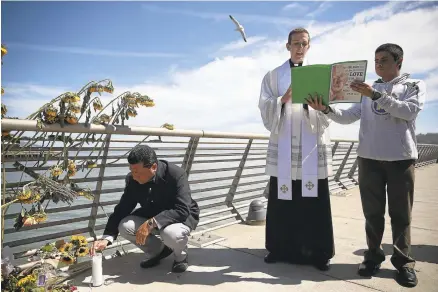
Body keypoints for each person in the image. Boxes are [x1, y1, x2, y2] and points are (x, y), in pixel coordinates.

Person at [306, 43, 426, 287]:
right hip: (368, 159)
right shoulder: (367, 90)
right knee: (372, 215)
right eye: (376, 60)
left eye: (383, 60)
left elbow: (408, 112)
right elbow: (349, 116)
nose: (378, 64)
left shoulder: (414, 85)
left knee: (401, 215)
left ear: (398, 62)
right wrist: (327, 109)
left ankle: (404, 263)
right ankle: (372, 257)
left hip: (400, 160)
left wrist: (376, 95)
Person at [258, 27, 335, 271]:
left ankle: (318, 252)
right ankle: (278, 248)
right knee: (282, 199)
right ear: (287, 45)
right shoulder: (273, 76)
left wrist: (314, 107)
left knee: (314, 200)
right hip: (284, 146)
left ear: (309, 46)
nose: (300, 48)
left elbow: (329, 110)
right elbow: (264, 106)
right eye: (295, 43)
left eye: (304, 44)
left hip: (311, 141)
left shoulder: (321, 75)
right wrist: (283, 100)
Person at [90, 145, 200, 273]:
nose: (133, 175)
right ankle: (159, 251)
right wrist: (106, 237)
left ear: (153, 167)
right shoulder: (132, 179)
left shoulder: (176, 174)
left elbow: (182, 209)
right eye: (131, 170)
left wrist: (151, 223)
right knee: (125, 226)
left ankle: (181, 257)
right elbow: (123, 208)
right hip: (152, 214)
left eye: (137, 172)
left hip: (180, 217)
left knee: (171, 234)